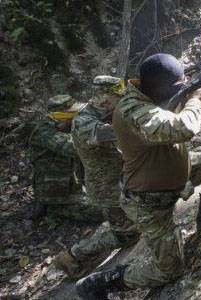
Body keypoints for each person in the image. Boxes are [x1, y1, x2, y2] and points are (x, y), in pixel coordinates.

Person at [75, 53, 201, 299]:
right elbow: (184, 126)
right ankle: (100, 282)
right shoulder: (133, 111)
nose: (183, 89)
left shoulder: (154, 96)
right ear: (162, 87)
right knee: (170, 270)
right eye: (179, 86)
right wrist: (196, 98)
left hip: (179, 169)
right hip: (149, 200)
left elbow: (197, 94)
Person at [53, 75, 140, 280]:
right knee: (127, 235)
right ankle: (72, 255)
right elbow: (110, 134)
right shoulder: (84, 121)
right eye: (119, 97)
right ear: (104, 98)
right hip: (106, 187)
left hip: (120, 179)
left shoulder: (100, 107)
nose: (122, 100)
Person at [29, 94, 101, 222]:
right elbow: (73, 148)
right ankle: (53, 208)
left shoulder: (62, 126)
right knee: (104, 211)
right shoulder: (45, 132)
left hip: (70, 183)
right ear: (60, 117)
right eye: (73, 115)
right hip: (57, 189)